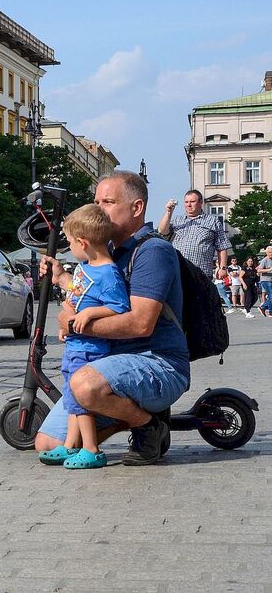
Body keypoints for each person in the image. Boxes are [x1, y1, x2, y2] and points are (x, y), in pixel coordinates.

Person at [37, 170, 189, 466]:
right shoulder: (104, 255)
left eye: (107, 202)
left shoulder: (152, 252)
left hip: (157, 362)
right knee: (47, 442)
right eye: (96, 201)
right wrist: (62, 278)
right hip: (108, 365)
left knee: (83, 385)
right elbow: (82, 292)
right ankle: (127, 414)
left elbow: (140, 324)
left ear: (136, 208)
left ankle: (147, 425)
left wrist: (74, 323)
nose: (97, 209)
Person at [37, 205, 130, 469]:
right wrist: (61, 281)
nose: (68, 247)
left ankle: (91, 449)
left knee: (80, 400)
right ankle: (69, 444)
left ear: (83, 243)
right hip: (76, 345)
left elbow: (119, 307)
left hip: (91, 348)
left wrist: (89, 314)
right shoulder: (85, 266)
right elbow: (76, 291)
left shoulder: (108, 273)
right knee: (70, 397)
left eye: (69, 242)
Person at [158, 190, 231, 280]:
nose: (188, 205)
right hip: (178, 273)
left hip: (201, 275)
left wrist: (223, 268)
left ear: (200, 203)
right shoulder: (177, 220)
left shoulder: (212, 221)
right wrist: (169, 212)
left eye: (192, 202)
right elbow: (162, 231)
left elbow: (222, 246)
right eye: (186, 202)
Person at [257, 246, 272, 317]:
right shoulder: (264, 260)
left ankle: (263, 307)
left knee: (270, 296)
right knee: (271, 295)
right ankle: (270, 311)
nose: (271, 253)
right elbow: (259, 270)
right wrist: (268, 270)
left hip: (271, 280)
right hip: (265, 280)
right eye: (269, 252)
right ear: (267, 253)